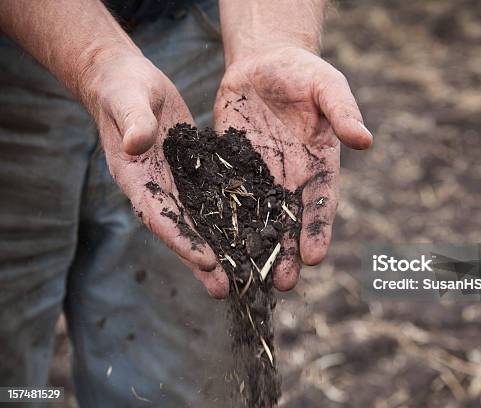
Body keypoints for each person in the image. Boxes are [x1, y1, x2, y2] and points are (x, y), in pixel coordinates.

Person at [0, 0, 372, 406]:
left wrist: (270, 40)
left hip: (190, 34)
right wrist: (97, 58)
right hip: (12, 66)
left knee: (170, 370)